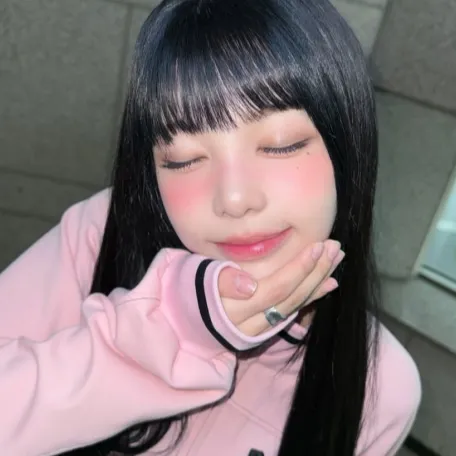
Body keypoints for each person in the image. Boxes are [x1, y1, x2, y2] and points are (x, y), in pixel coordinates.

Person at [0, 0, 421, 455]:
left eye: (281, 145)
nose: (234, 198)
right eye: (185, 159)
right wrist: (170, 334)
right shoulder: (105, 231)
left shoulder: (382, 386)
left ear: (349, 148)